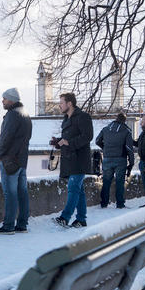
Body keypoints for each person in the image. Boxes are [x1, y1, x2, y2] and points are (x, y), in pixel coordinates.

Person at [50, 92, 93, 228]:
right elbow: (69, 137)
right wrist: (58, 142)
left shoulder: (83, 117)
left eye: (61, 102)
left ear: (70, 103)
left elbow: (88, 136)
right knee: (78, 190)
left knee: (73, 188)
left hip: (79, 159)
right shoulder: (66, 119)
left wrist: (68, 142)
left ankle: (65, 217)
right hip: (69, 159)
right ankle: (81, 219)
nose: (59, 105)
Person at [0, 87, 32, 234]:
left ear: (11, 100)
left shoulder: (12, 115)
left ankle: (8, 225)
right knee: (22, 193)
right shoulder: (25, 114)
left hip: (10, 160)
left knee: (10, 193)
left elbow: (6, 137)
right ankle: (22, 224)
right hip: (22, 160)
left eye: (4, 98)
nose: (2, 101)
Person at [96, 112, 135, 209]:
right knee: (120, 182)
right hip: (120, 159)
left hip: (107, 158)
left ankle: (104, 203)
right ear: (124, 120)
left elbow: (97, 141)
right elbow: (129, 149)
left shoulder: (106, 129)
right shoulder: (126, 131)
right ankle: (120, 204)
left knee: (106, 181)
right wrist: (131, 162)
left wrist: (105, 148)